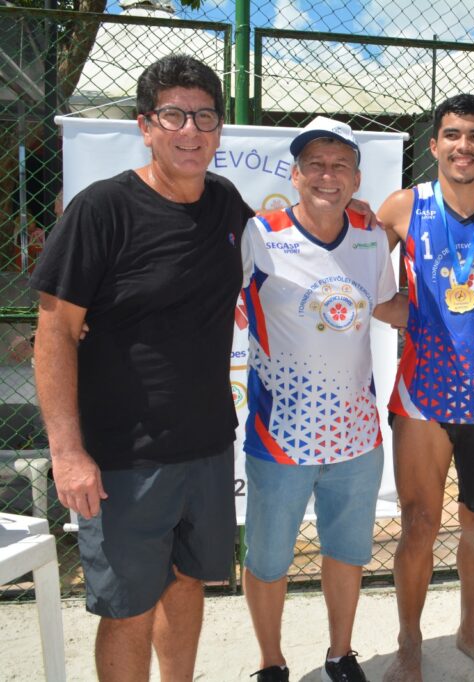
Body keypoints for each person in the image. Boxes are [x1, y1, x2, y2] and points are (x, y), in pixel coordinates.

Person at [30, 54, 254, 681]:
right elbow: (54, 333)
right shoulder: (102, 210)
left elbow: (275, 252)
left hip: (207, 443)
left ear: (219, 128)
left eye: (205, 116)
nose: (191, 130)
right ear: (145, 125)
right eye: (174, 115)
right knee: (126, 608)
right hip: (123, 455)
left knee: (186, 582)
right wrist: (67, 452)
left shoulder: (225, 202)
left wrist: (360, 218)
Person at [240, 117, 407, 682]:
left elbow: (385, 305)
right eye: (315, 164)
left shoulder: (367, 239)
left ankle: (340, 653)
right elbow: (209, 299)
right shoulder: (260, 235)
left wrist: (461, 317)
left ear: (357, 178)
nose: (327, 175)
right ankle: (270, 661)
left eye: (340, 166)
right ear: (295, 173)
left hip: (357, 439)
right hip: (279, 438)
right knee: (267, 561)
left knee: (347, 552)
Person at [379, 93, 474, 682]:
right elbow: (357, 273)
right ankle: (410, 643)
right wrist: (401, 310)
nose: (462, 145)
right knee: (420, 524)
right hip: (423, 399)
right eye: (452, 134)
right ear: (434, 144)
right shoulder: (403, 206)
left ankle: (471, 633)